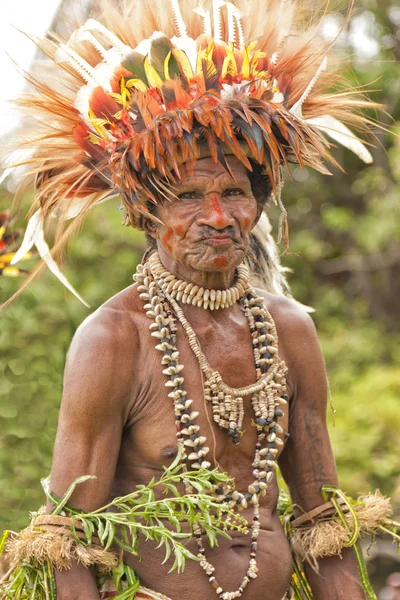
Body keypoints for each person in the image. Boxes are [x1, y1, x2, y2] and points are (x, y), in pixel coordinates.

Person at [0, 1, 390, 599]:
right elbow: (66, 541)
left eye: (234, 192)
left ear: (259, 203)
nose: (217, 217)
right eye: (187, 197)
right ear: (145, 213)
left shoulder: (287, 331)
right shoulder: (113, 339)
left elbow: (322, 525)